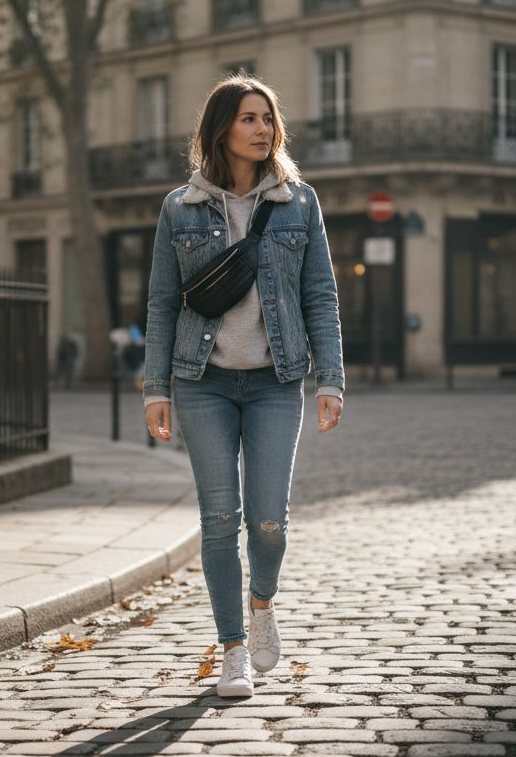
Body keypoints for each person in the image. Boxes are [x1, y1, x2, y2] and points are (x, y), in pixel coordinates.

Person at [142, 75, 345, 698]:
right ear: (222, 128)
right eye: (250, 119)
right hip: (200, 381)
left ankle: (261, 605)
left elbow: (320, 295)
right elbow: (163, 301)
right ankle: (231, 647)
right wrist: (156, 388)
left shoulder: (298, 203)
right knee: (218, 519)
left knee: (268, 523)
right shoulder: (180, 208)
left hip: (274, 382)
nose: (264, 129)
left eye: (268, 119)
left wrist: (330, 378)